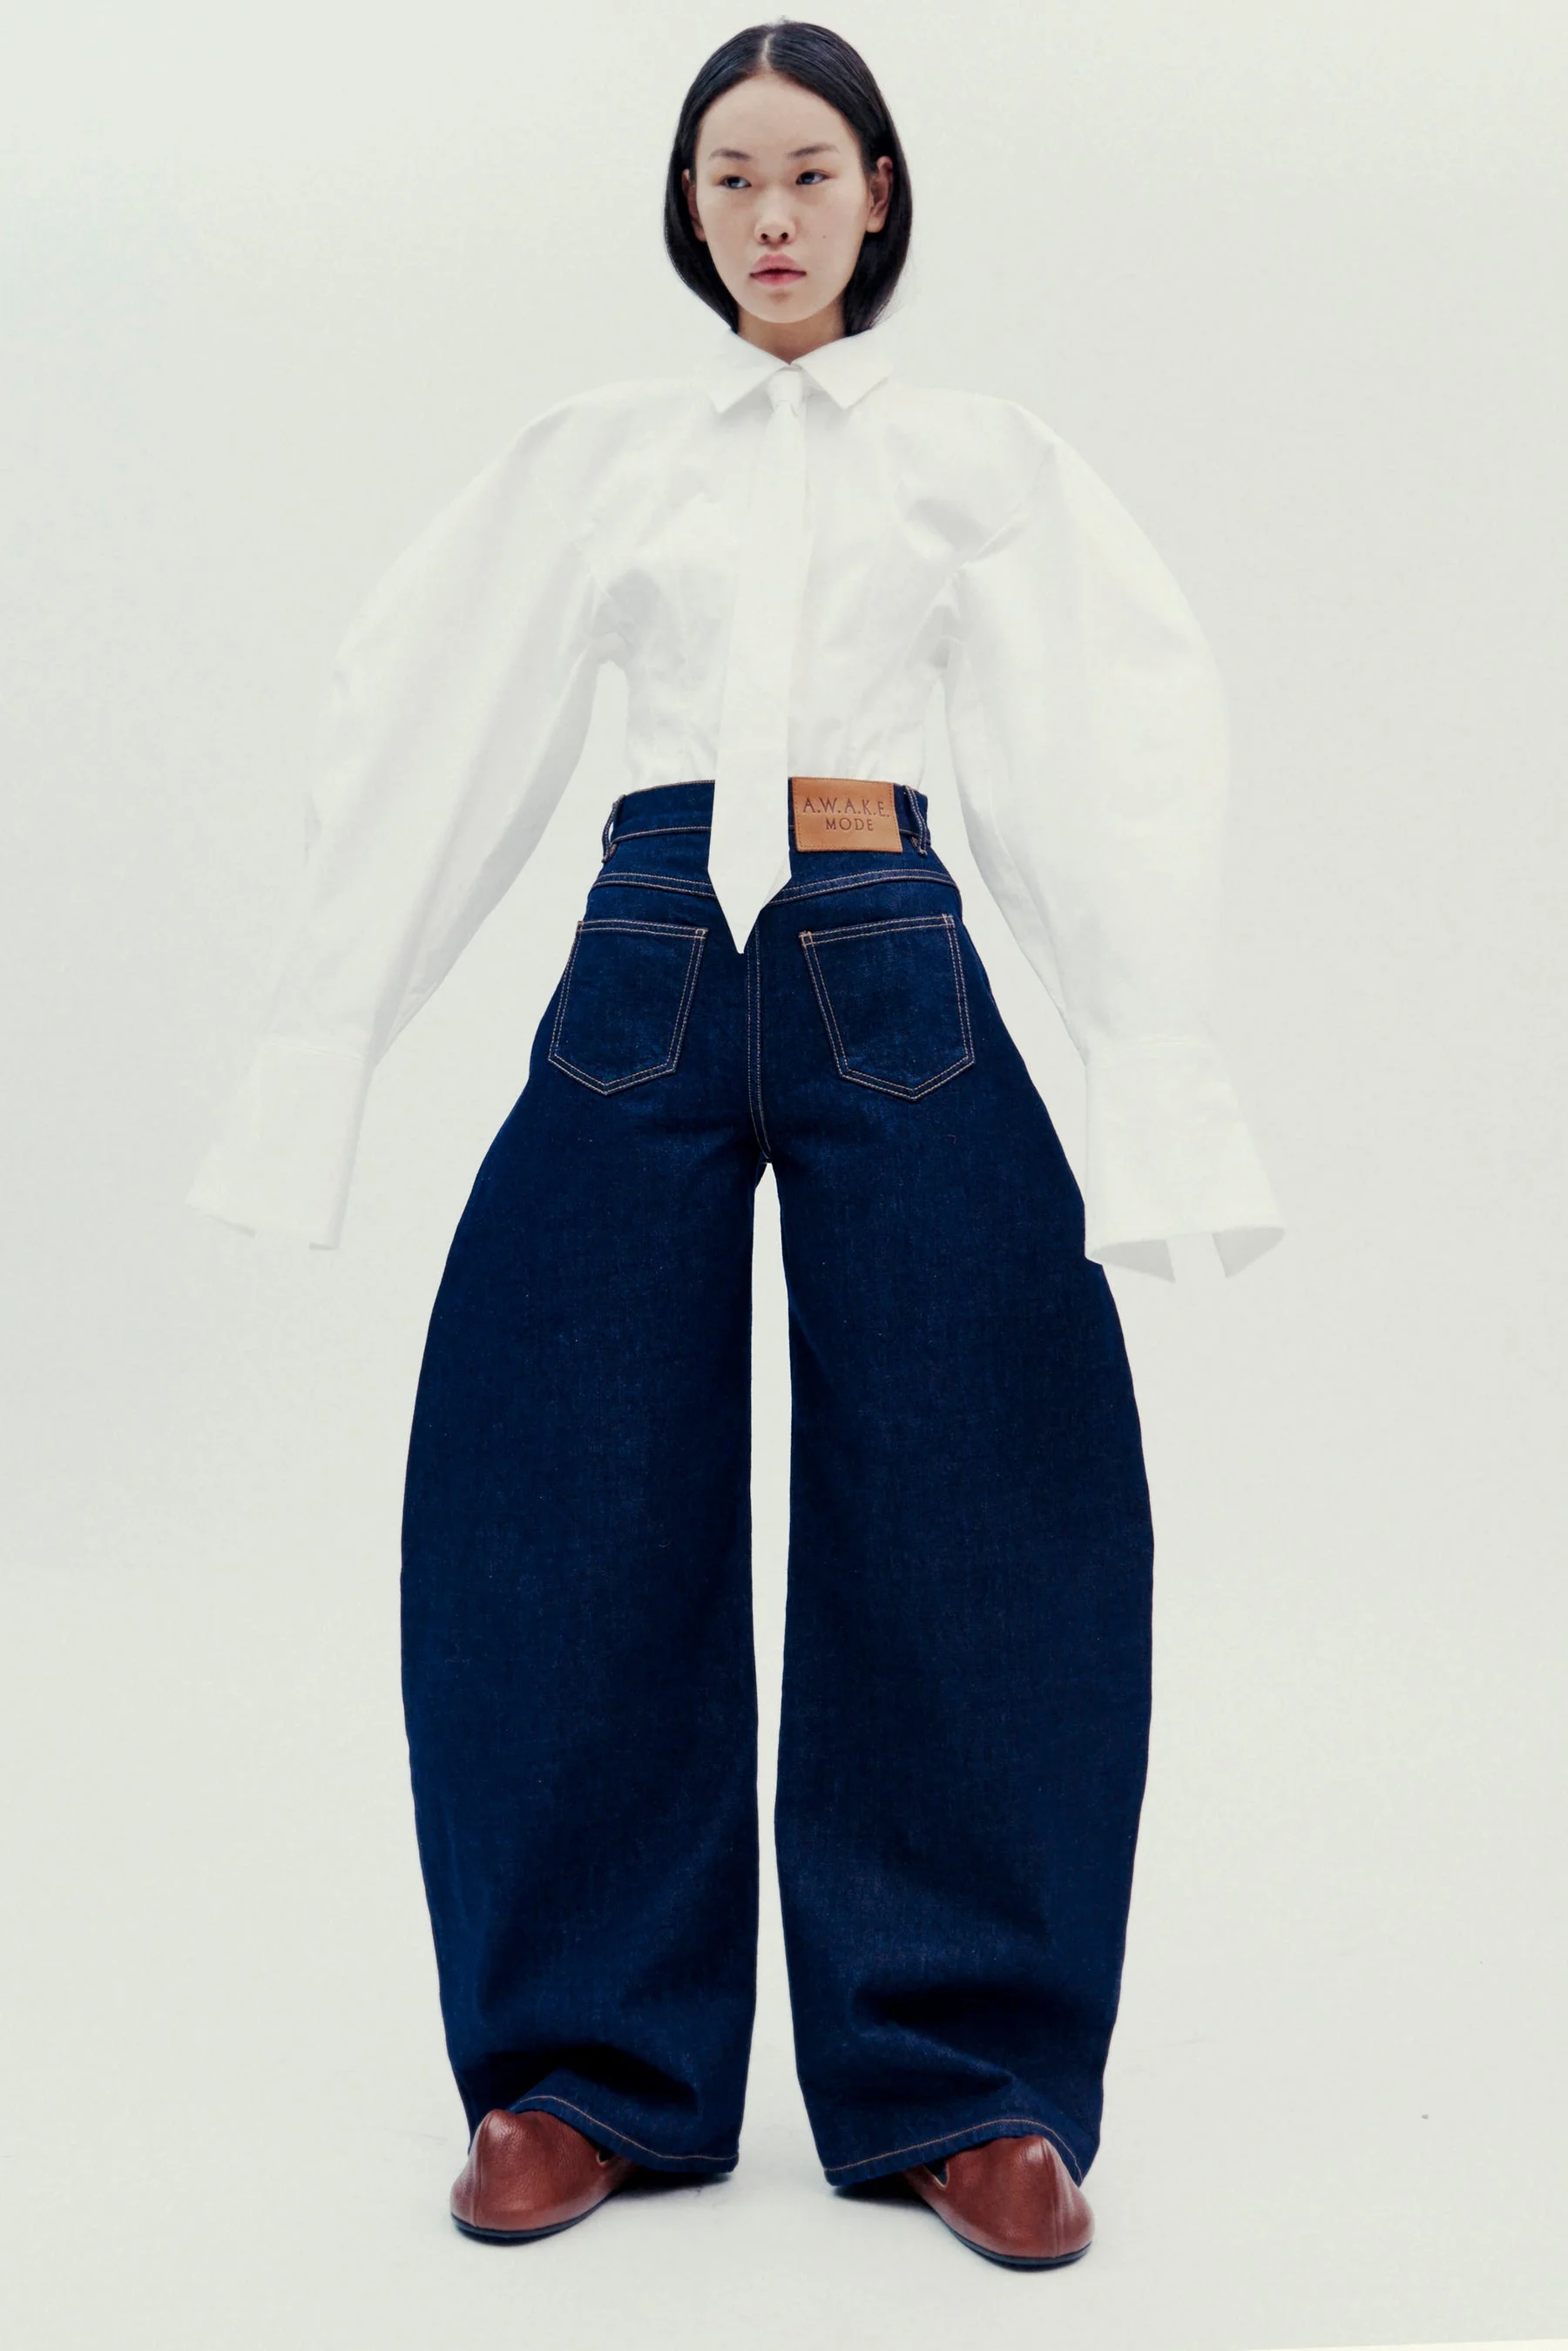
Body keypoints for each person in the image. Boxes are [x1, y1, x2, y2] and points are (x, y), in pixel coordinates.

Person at [186, 18, 1283, 2271]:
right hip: (649, 960)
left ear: (882, 192)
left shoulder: (981, 456)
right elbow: (434, 718)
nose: (771, 217)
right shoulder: (602, 456)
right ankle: (584, 2068)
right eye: (729, 181)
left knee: (986, 1486)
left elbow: (1108, 741)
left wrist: (1156, 1082)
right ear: (690, 217)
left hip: (894, 957)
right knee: (552, 1480)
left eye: (808, 172)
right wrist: (321, 1058)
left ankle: (965, 2079)